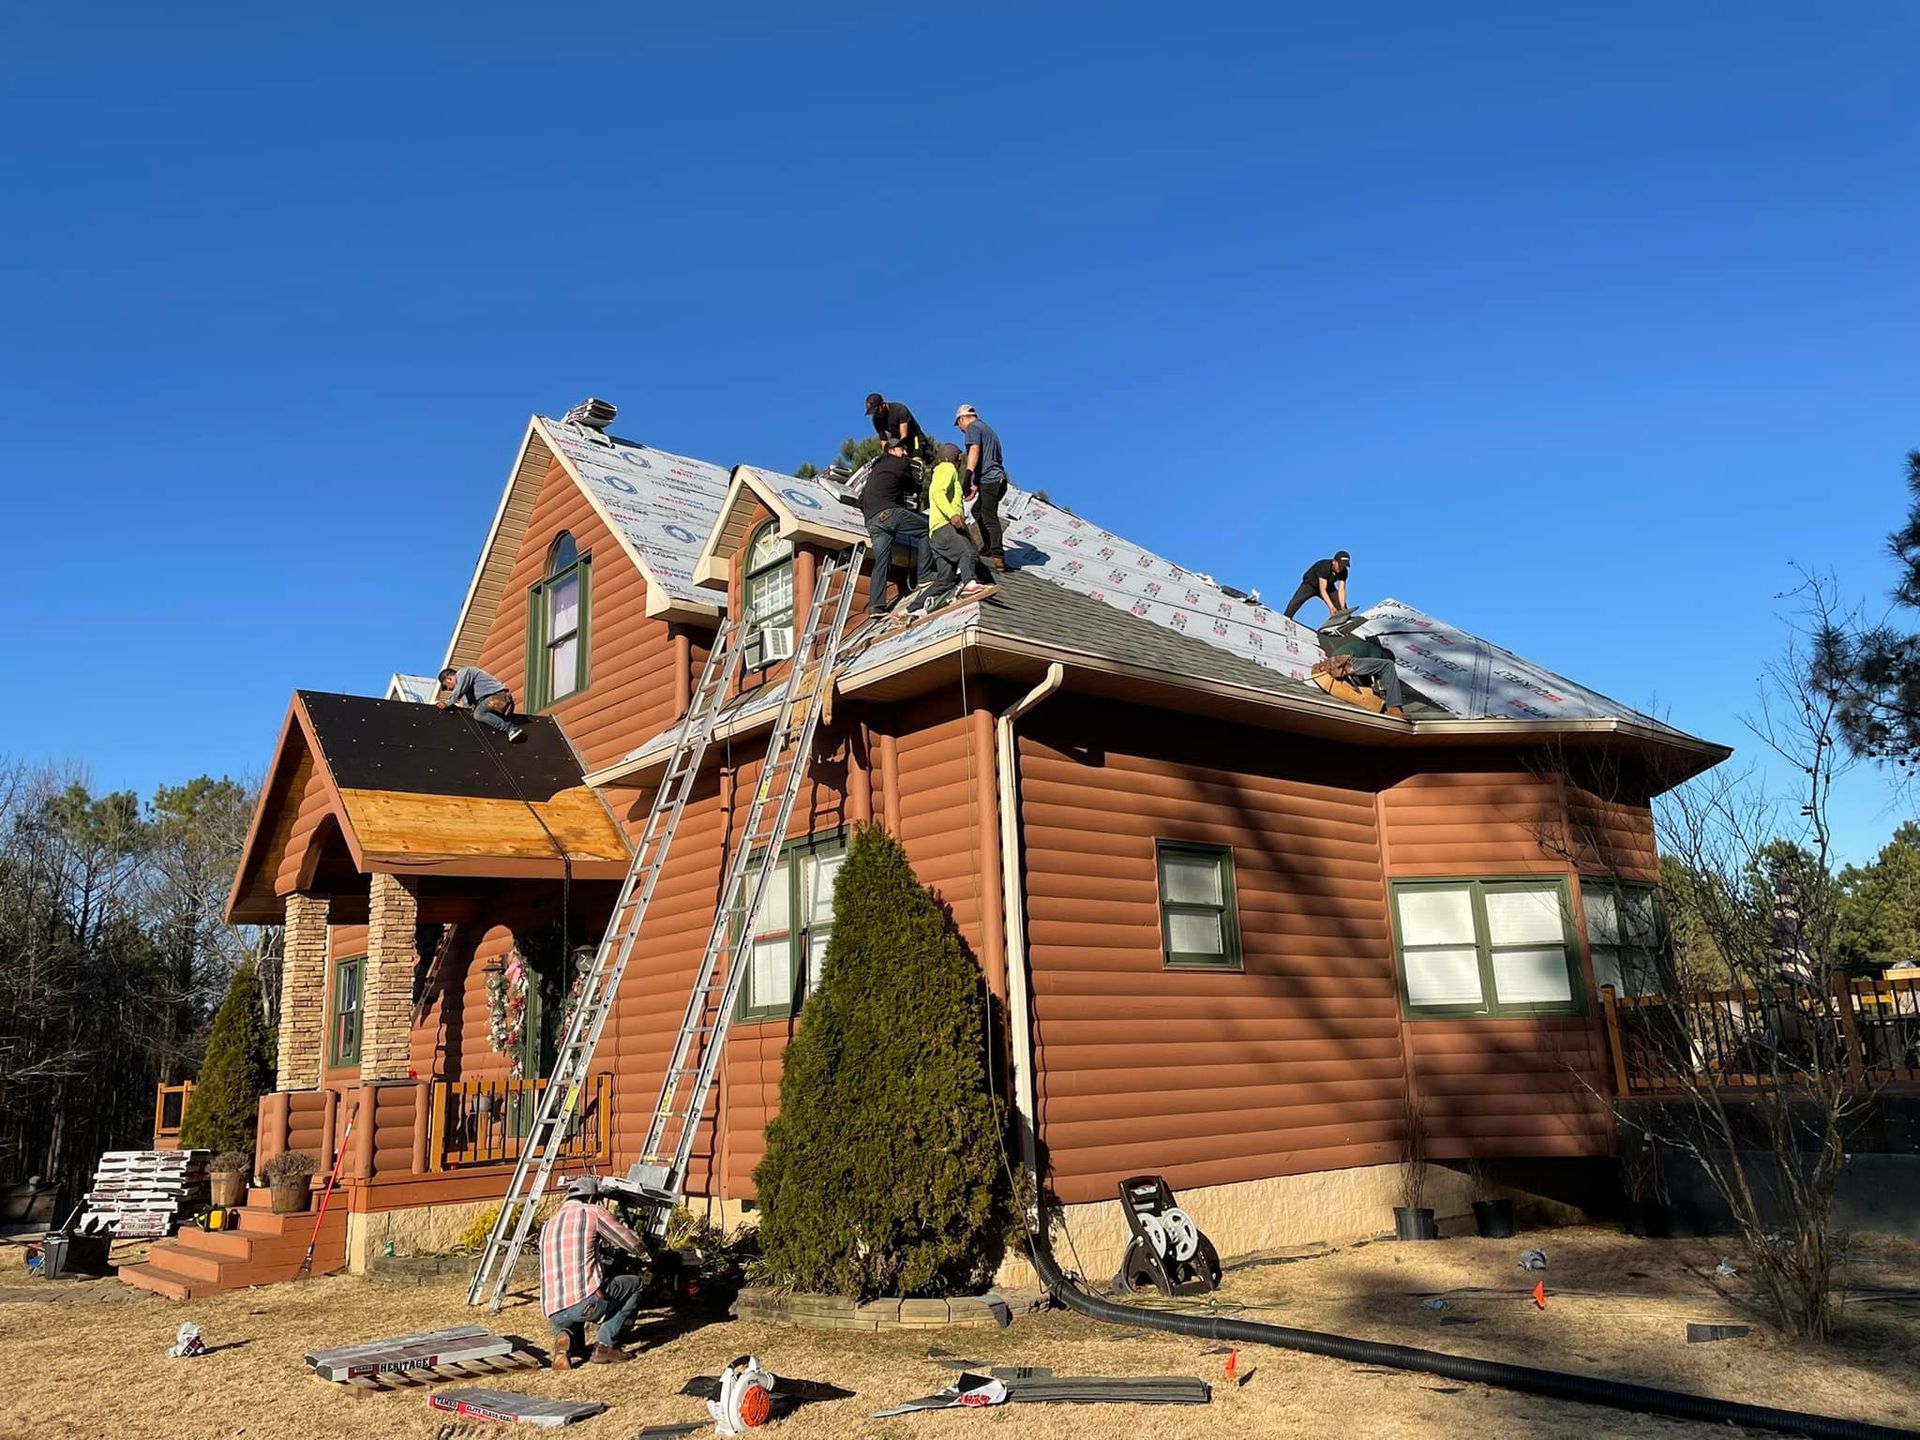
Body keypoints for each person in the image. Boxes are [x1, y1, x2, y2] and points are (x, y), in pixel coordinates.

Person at [540, 1176, 645, 1368]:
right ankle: (605, 1345)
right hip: (584, 1303)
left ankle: (566, 1338)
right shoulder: (591, 1212)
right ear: (590, 1198)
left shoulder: (549, 1223)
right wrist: (645, 1254)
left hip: (554, 1310)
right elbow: (628, 1241)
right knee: (635, 1284)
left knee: (574, 1313)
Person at [920, 442, 997, 609]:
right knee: (968, 552)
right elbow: (937, 493)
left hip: (937, 534)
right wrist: (953, 515)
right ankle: (970, 584)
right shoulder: (947, 468)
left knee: (945, 579)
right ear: (957, 459)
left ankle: (912, 608)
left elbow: (945, 495)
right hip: (945, 527)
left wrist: (963, 498)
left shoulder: (942, 471)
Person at [859, 437, 929, 617]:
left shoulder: (875, 471)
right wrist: (916, 469)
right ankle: (925, 577)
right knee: (928, 527)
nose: (904, 452)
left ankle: (877, 605)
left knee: (881, 561)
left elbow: (861, 499)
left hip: (872, 521)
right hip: (888, 514)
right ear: (892, 451)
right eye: (901, 450)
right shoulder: (899, 464)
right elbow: (913, 487)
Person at [954, 404, 1009, 571]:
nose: (961, 430)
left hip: (991, 481)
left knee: (989, 516)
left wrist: (968, 476)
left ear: (962, 419)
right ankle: (988, 546)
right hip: (996, 480)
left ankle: (998, 555)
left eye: (959, 425)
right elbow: (993, 460)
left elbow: (975, 451)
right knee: (978, 510)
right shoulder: (989, 431)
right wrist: (976, 485)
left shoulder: (973, 428)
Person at [1318, 636, 1408, 718]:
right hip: (1344, 662)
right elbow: (1375, 675)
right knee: (1388, 665)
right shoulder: (1376, 650)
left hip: (1333, 663)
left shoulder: (1363, 647)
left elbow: (1365, 674)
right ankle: (1394, 708)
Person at [437, 665, 526, 742]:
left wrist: (447, 703)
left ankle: (511, 729)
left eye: (446, 686)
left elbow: (458, 690)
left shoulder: (465, 672)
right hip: (494, 702)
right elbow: (466, 705)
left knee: (479, 714)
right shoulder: (466, 690)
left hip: (498, 697)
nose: (449, 689)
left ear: (449, 679)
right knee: (477, 713)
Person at [1282, 551, 1350, 622]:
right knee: (1295, 602)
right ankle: (1285, 618)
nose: (1341, 568)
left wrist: (1342, 607)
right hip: (1310, 585)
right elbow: (1322, 590)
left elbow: (1341, 589)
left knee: (1342, 607)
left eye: (1343, 566)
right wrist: (1331, 607)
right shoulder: (1325, 567)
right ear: (1334, 561)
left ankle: (1346, 622)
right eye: (1340, 565)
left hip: (1328, 586)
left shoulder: (1344, 571)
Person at [864, 392, 928, 459]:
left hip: (914, 439)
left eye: (877, 411)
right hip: (898, 443)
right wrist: (888, 452)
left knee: (916, 462)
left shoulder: (899, 410)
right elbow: (883, 440)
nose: (876, 414)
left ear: (883, 405)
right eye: (873, 413)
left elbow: (904, 436)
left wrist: (897, 449)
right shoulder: (876, 420)